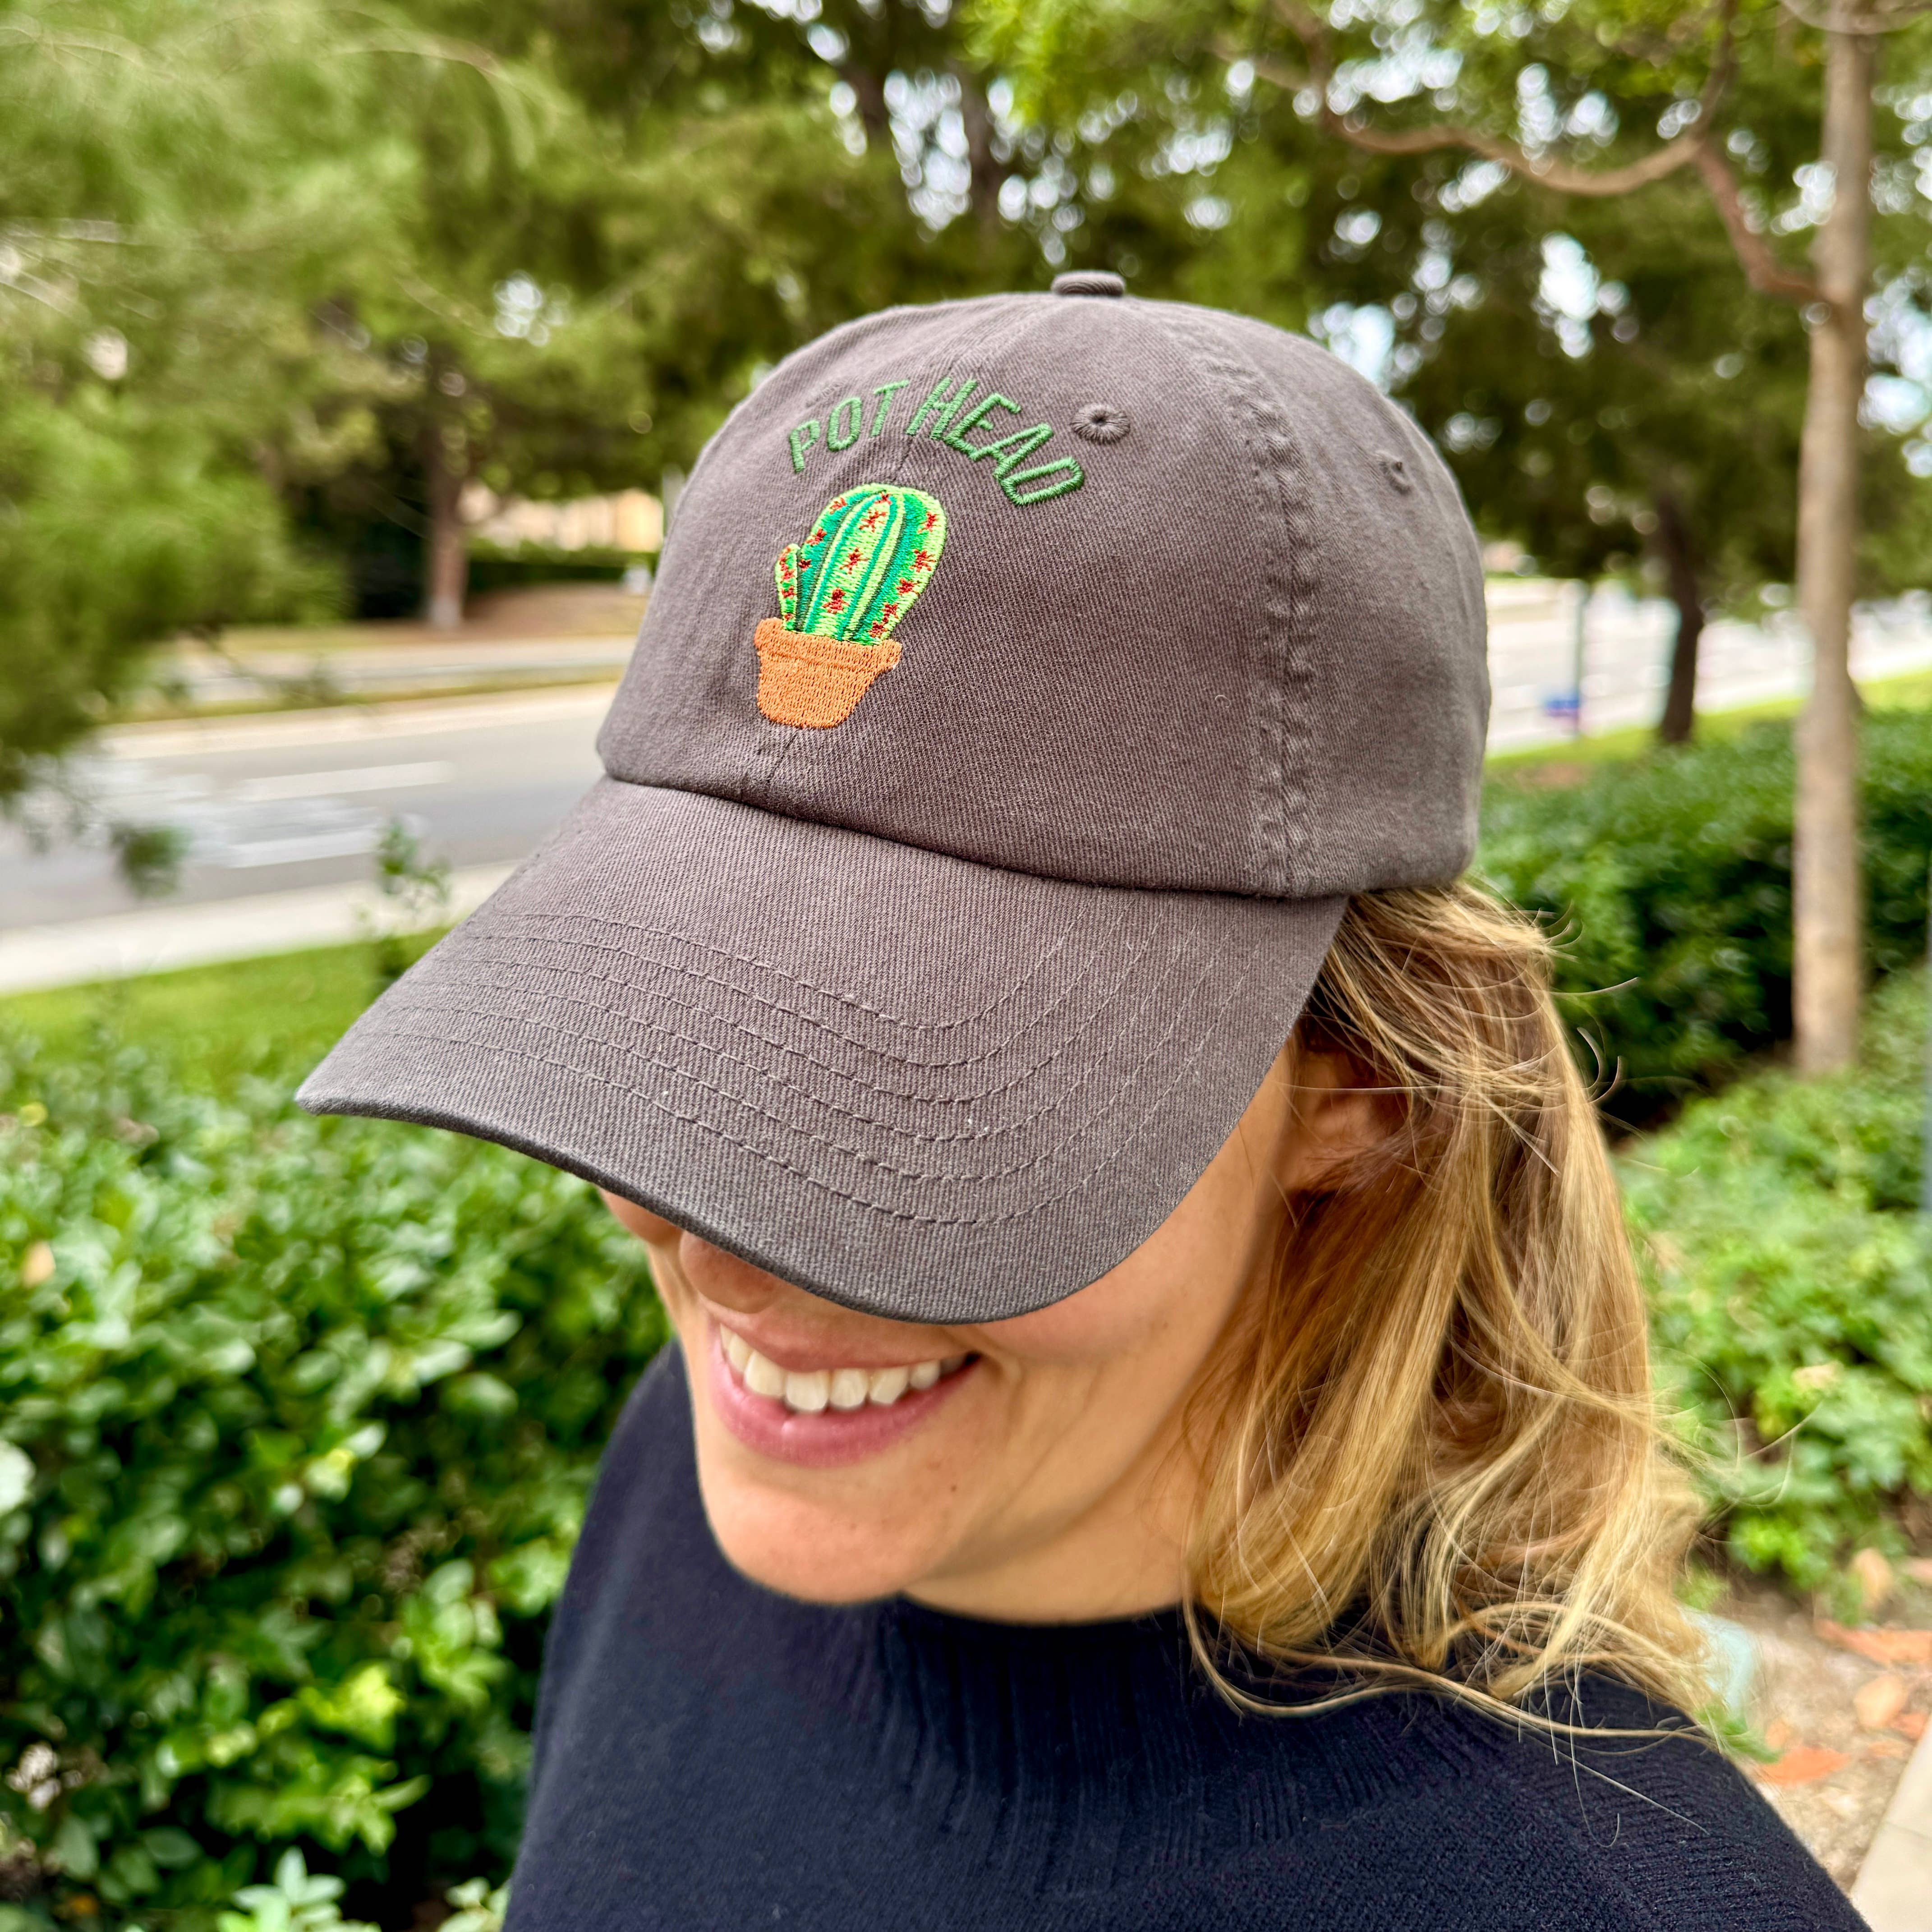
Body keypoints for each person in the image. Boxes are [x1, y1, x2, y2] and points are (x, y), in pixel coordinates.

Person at [301, 275, 1862, 1929]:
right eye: (684, 1024)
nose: (712, 1247)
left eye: (908, 1103)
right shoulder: (684, 1485)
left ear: (1362, 1090)